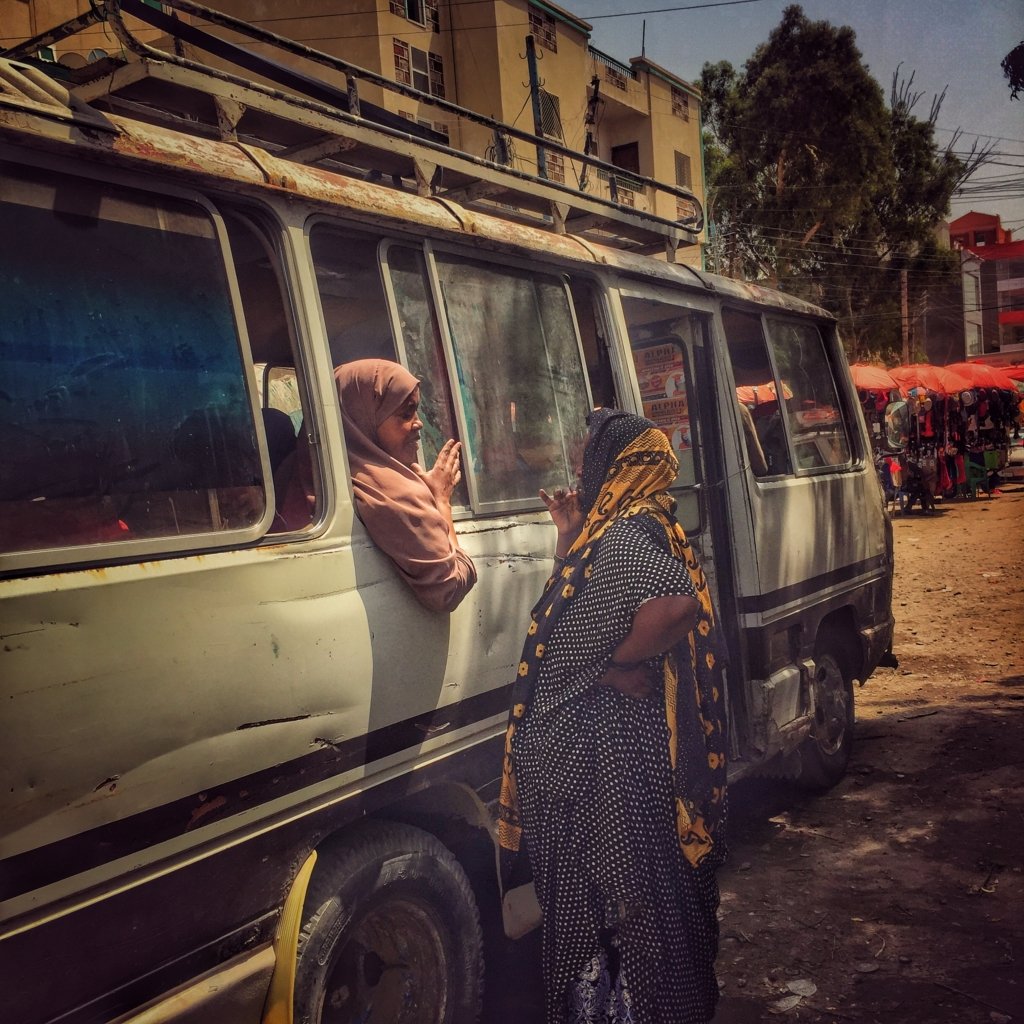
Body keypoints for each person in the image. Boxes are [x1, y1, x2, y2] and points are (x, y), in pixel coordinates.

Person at [498, 409, 728, 1024]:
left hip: (603, 769)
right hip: (604, 762)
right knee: (630, 901)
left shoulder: (629, 533)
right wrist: (569, 536)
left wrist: (604, 663)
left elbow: (676, 609)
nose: (580, 471)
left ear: (617, 466)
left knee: (615, 905)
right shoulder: (633, 526)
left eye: (588, 462)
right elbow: (568, 610)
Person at [336, 359, 477, 613]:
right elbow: (449, 589)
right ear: (364, 417)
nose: (418, 422)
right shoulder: (395, 495)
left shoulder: (321, 470)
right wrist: (441, 501)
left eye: (416, 411)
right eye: (406, 413)